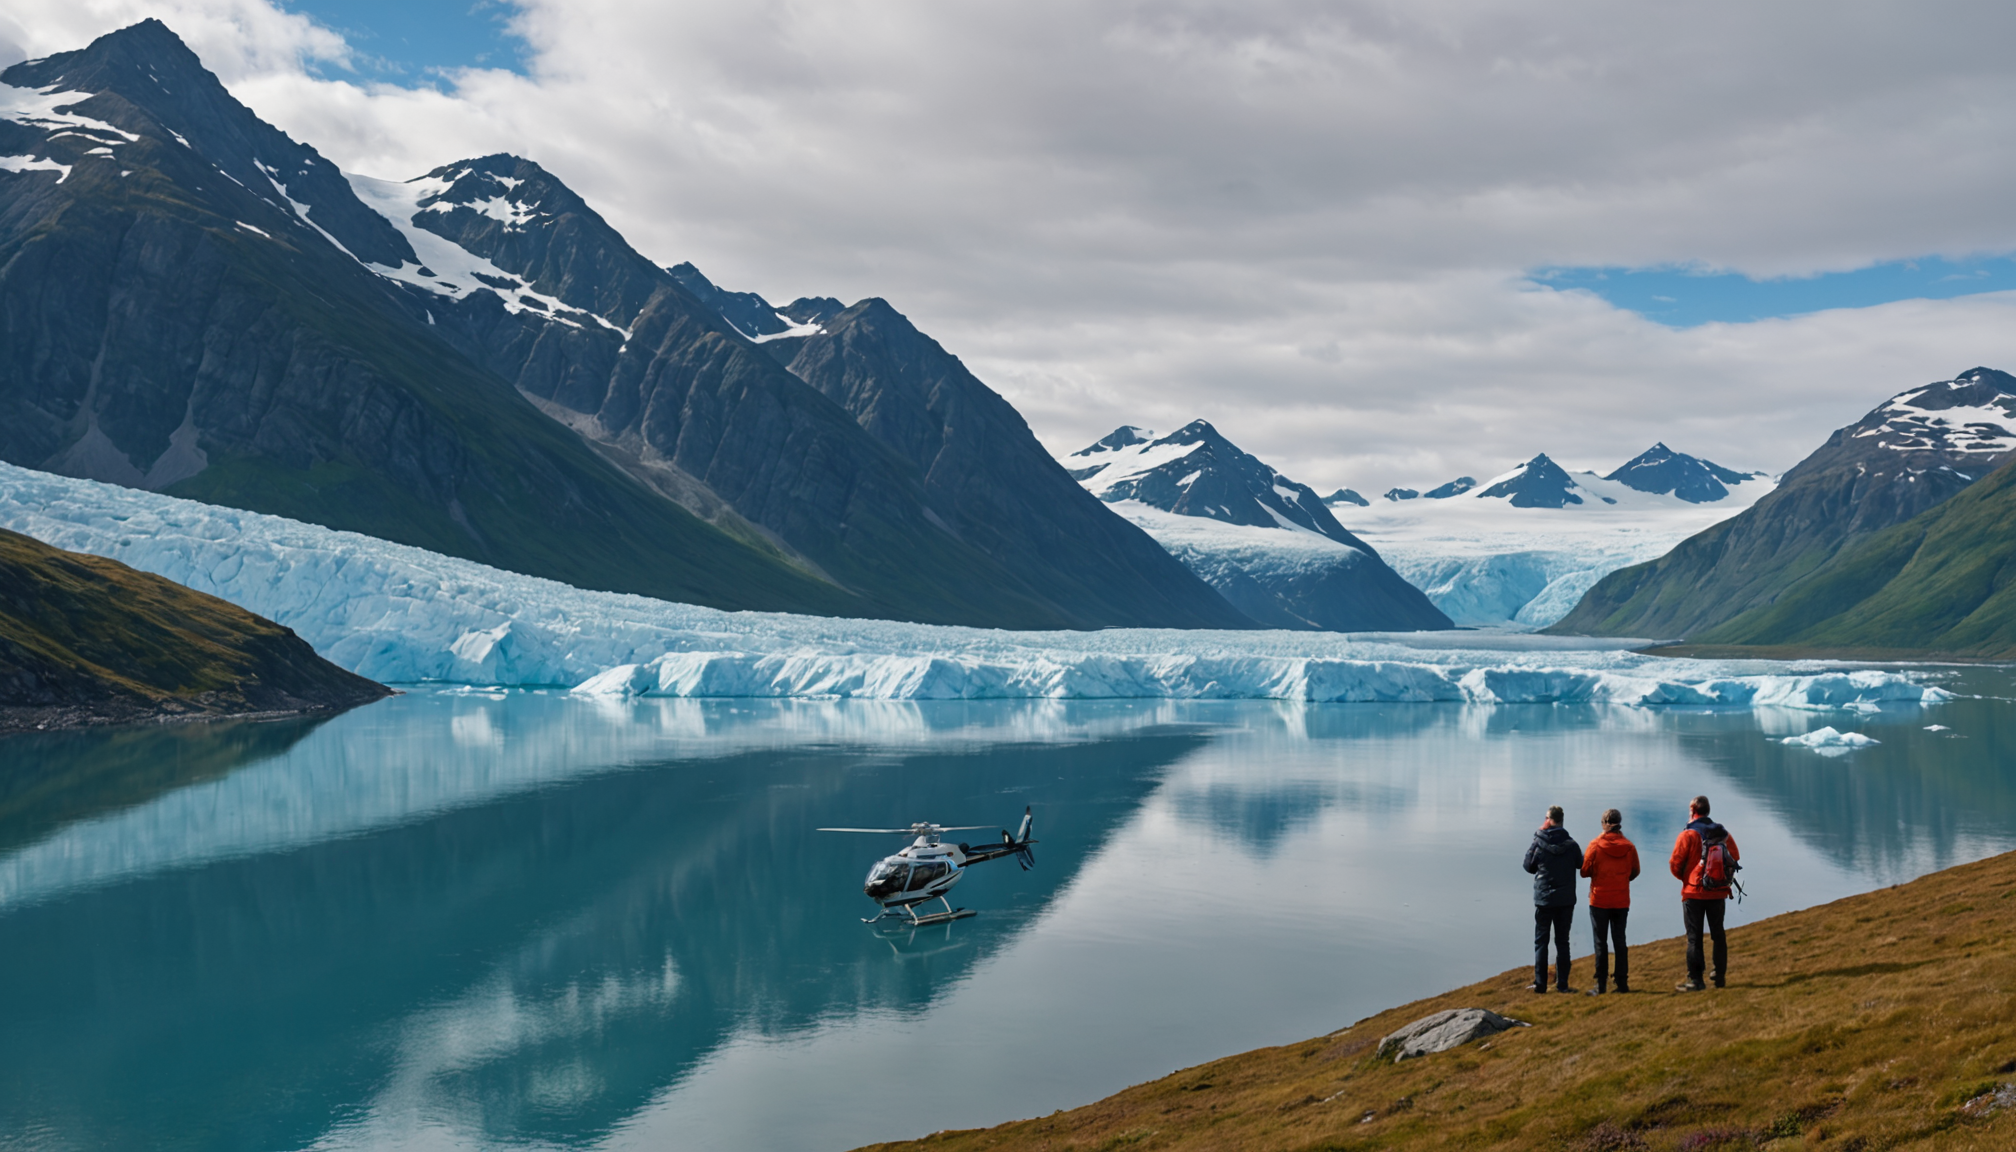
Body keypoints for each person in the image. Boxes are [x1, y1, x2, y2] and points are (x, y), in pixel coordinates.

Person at [1669, 794, 1741, 991]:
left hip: (1693, 893)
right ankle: (1720, 976)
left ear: (1693, 810)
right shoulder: (1722, 833)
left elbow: (1675, 864)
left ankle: (1696, 980)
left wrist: (1687, 879)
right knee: (1718, 934)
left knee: (1694, 938)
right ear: (1707, 811)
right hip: (1718, 891)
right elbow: (1735, 856)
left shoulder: (1687, 835)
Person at [1580, 808, 1640, 995]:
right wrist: (1621, 880)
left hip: (1599, 900)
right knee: (1619, 940)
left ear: (1605, 823)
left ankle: (1601, 985)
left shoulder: (1595, 845)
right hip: (1621, 900)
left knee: (1600, 942)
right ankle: (1622, 983)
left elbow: (1584, 871)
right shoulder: (1629, 847)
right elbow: (1635, 871)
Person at [1523, 804, 1581, 993]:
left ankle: (1540, 985)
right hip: (1565, 901)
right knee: (1562, 942)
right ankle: (1562, 985)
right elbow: (1581, 864)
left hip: (1544, 900)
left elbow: (1528, 866)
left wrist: (1537, 836)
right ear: (1562, 819)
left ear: (1548, 820)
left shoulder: (1538, 843)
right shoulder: (1571, 844)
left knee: (1541, 941)